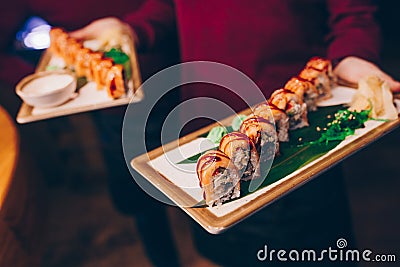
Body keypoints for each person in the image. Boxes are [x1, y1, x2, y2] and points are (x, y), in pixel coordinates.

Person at [71, 1, 400, 266]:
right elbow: (172, 7)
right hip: (205, 130)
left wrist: (353, 53)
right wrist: (131, 31)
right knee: (227, 252)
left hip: (294, 132)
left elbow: (353, 11)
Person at [0, 1, 182, 266]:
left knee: (194, 176)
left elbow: (171, 6)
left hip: (175, 79)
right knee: (140, 197)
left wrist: (132, 30)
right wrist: (46, 83)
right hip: (110, 109)